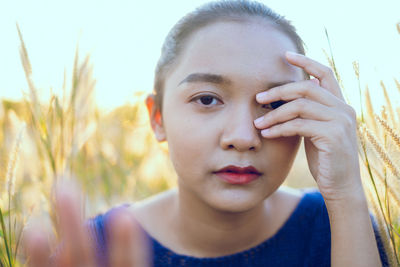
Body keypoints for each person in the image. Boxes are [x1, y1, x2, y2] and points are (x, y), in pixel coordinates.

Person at [24, 0, 389, 266]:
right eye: (208, 99)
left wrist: (345, 193)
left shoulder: (335, 226)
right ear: (158, 119)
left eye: (275, 104)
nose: (243, 137)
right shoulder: (96, 248)